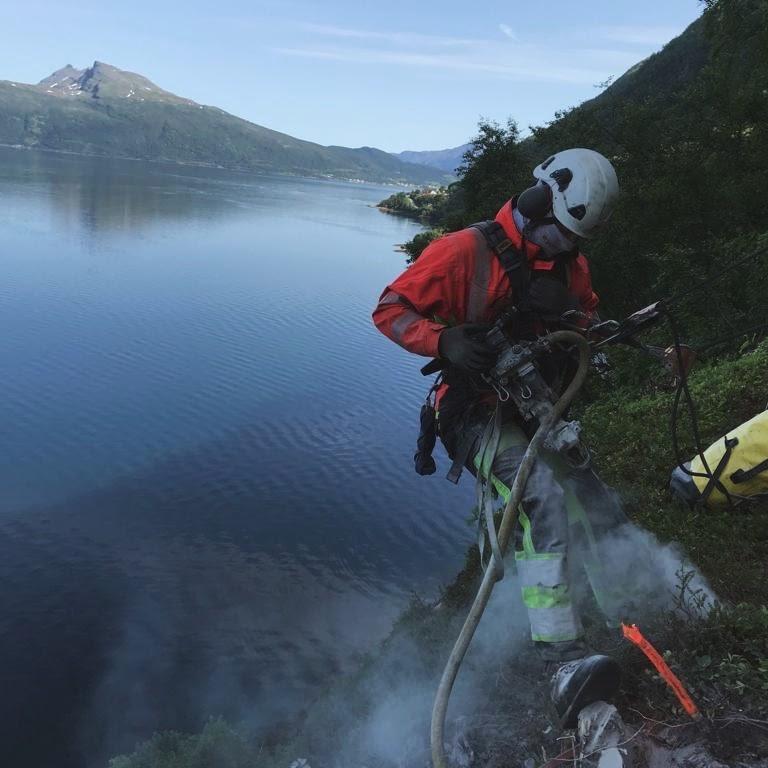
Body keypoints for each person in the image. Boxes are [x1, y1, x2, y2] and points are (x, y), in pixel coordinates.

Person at [372, 148, 630, 728]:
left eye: (576, 240)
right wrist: (442, 342)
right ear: (540, 201)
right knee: (537, 495)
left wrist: (596, 329)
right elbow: (390, 309)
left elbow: (583, 315)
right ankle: (559, 660)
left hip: (535, 401)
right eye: (562, 235)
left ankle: (623, 603)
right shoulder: (464, 252)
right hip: (472, 412)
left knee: (595, 500)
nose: (568, 248)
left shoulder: (571, 266)